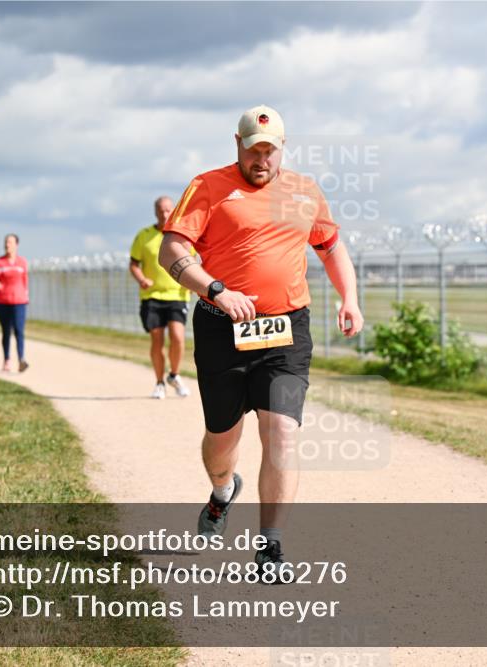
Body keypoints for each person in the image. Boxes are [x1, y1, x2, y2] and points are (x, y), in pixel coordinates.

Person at [159, 105, 363, 577]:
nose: (262, 160)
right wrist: (216, 289)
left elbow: (331, 248)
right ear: (238, 144)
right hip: (220, 328)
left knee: (282, 434)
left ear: (282, 149)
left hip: (287, 330)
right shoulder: (209, 187)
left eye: (270, 151)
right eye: (254, 150)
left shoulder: (304, 192)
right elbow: (173, 249)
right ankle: (222, 490)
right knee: (221, 440)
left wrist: (349, 297)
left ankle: (269, 549)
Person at [130, 196, 193, 399]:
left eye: (168, 210)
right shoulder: (144, 236)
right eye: (161, 210)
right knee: (157, 340)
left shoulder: (182, 235)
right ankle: (159, 382)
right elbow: (133, 264)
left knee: (177, 337)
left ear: (174, 211)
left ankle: (174, 375)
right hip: (152, 296)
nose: (165, 214)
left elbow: (194, 261)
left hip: (177, 294)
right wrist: (141, 279)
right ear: (155, 212)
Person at [0, 233, 29, 373]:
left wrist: (26, 295)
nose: (7, 245)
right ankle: (6, 360)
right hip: (3, 301)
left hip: (19, 301)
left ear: (16, 245)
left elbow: (25, 280)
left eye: (10, 242)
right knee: (6, 331)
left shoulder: (22, 262)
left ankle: (21, 360)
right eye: (6, 242)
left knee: (19, 330)